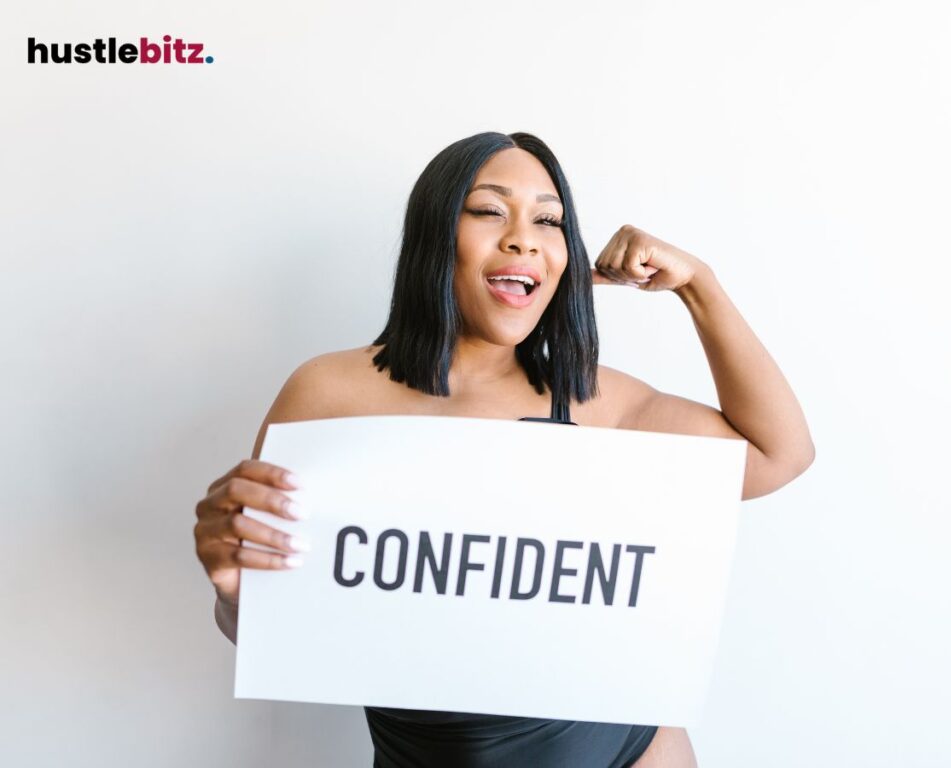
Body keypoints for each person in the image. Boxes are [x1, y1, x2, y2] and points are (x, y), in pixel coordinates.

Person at [193, 131, 815, 767]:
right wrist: (237, 594)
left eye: (549, 221)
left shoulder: (595, 403)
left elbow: (778, 455)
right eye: (490, 210)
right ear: (436, 237)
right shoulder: (327, 393)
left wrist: (699, 287)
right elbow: (276, 631)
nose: (524, 237)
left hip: (628, 753)